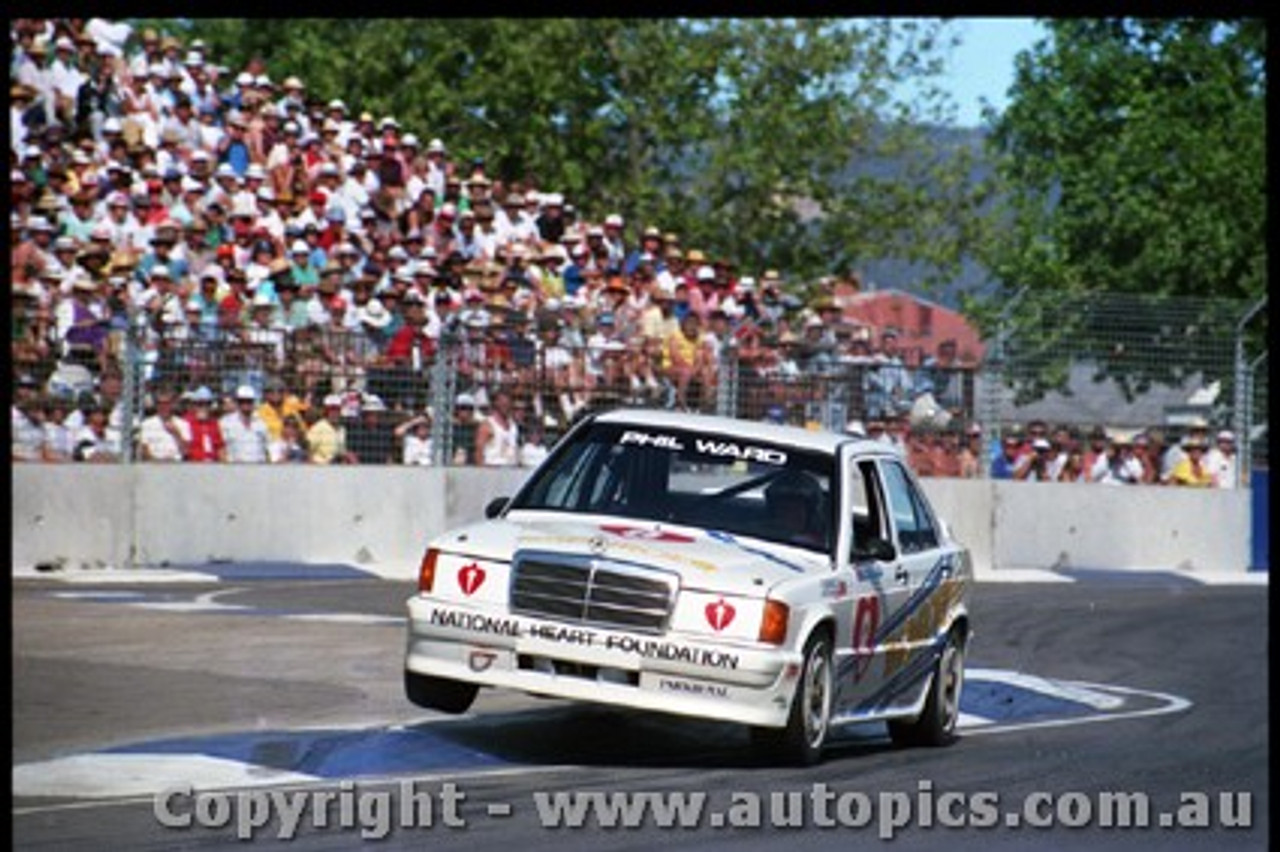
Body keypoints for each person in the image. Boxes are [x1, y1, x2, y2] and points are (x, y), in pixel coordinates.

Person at [763, 470, 827, 549]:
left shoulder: (814, 544)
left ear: (811, 513)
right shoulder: (758, 531)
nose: (788, 515)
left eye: (795, 509)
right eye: (782, 508)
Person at [220, 384, 271, 463]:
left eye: (249, 401)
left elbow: (268, 448)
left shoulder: (261, 423)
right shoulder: (226, 422)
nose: (246, 404)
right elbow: (221, 449)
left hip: (259, 469)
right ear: (237, 402)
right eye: (242, 401)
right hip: (235, 469)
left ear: (253, 402)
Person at [138, 386, 190, 462]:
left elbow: (186, 451)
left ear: (172, 404)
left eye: (166, 403)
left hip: (176, 466)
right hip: (153, 466)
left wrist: (176, 433)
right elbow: (143, 449)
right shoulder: (147, 424)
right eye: (160, 403)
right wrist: (158, 463)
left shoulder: (183, 424)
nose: (163, 407)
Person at [475, 388, 519, 467]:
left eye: (507, 404)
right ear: (496, 403)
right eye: (502, 404)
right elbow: (479, 451)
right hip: (492, 469)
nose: (505, 407)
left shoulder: (513, 426)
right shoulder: (488, 424)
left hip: (511, 469)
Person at [183, 386, 225, 462]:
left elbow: (220, 447)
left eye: (207, 404)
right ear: (194, 405)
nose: (203, 407)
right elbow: (185, 448)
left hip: (213, 464)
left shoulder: (214, 423)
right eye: (200, 404)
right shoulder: (187, 422)